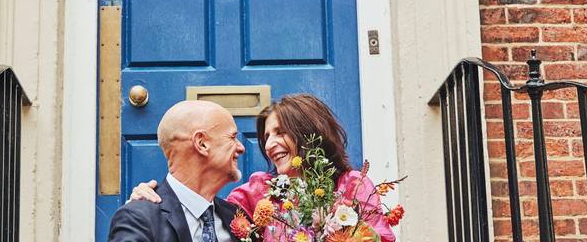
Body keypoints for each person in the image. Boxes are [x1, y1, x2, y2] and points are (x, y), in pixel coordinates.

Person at [130, 94, 396, 242]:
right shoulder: (256, 193)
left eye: (280, 133)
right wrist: (150, 200)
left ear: (308, 134)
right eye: (266, 137)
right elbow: (201, 211)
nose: (270, 144)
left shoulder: (351, 185)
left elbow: (381, 237)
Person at [108, 100, 247, 242]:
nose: (241, 147)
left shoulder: (236, 216)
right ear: (202, 143)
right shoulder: (139, 219)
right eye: (232, 137)